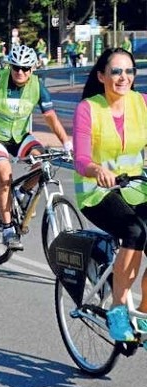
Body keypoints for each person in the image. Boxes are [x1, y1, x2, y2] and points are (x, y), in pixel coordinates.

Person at [72, 48, 147, 341]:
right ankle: (117, 310)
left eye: (129, 71)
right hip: (97, 191)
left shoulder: (142, 104)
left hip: (137, 188)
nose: (123, 77)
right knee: (135, 230)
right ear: (102, 76)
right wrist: (95, 170)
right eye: (116, 71)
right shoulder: (88, 109)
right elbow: (80, 159)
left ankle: (142, 313)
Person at [0, 44, 71, 250]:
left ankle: (22, 193)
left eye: (25, 68)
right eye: (16, 67)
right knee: (5, 174)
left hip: (19, 135)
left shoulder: (37, 86)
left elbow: (51, 117)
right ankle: (8, 228)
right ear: (10, 66)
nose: (20, 72)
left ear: (32, 69)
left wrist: (67, 143)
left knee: (43, 162)